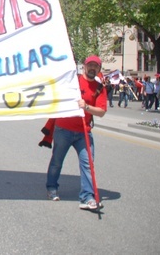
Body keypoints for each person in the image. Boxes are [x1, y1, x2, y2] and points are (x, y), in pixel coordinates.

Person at [46, 55, 107, 211]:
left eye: (96, 66)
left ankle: (87, 197)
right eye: (90, 65)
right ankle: (52, 187)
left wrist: (86, 107)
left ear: (99, 69)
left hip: (83, 132)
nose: (92, 68)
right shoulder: (72, 81)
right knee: (57, 161)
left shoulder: (100, 88)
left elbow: (101, 112)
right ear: (84, 66)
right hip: (63, 128)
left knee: (88, 165)